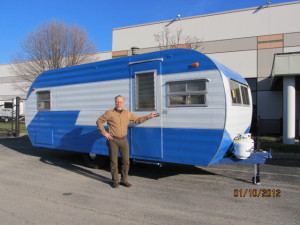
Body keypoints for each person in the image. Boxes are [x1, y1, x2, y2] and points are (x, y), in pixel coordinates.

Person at [96, 95, 157, 188]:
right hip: (113, 140)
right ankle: (115, 181)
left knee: (126, 161)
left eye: (120, 102)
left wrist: (149, 116)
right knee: (114, 161)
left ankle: (124, 180)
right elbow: (99, 121)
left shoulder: (127, 113)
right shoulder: (109, 113)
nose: (119, 103)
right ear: (115, 102)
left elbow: (137, 120)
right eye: (117, 101)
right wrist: (105, 133)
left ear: (123, 103)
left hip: (123, 140)